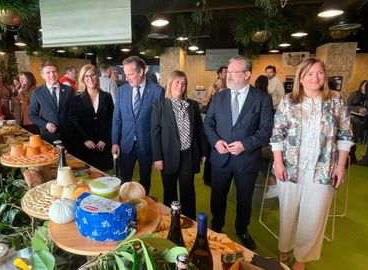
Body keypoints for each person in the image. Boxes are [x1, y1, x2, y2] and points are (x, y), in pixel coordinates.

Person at [270, 58, 352, 270]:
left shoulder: (336, 100)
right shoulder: (288, 101)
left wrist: (340, 166)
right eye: (309, 74)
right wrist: (278, 163)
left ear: (325, 76)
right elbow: (277, 135)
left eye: (319, 73)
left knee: (313, 214)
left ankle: (301, 257)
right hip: (289, 166)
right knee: (288, 211)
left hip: (323, 168)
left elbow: (345, 135)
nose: (315, 78)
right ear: (300, 78)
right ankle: (285, 248)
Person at [203, 56, 273, 250]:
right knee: (217, 196)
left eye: (234, 72)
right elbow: (208, 123)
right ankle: (216, 227)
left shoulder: (262, 99)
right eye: (228, 72)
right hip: (221, 158)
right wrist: (216, 142)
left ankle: (242, 229)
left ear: (247, 74)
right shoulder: (219, 97)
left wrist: (245, 144)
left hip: (247, 159)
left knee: (244, 198)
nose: (229, 76)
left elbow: (266, 130)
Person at [151, 70, 207, 220]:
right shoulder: (159, 106)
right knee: (169, 191)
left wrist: (203, 153)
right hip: (167, 156)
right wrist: (157, 158)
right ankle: (171, 220)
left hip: (188, 155)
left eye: (183, 83)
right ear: (170, 84)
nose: (180, 86)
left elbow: (199, 131)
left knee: (187, 191)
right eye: (177, 82)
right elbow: (155, 134)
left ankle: (189, 221)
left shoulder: (193, 105)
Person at [111, 56, 165, 194]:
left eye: (130, 74)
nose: (126, 78)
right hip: (126, 144)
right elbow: (117, 119)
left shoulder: (157, 91)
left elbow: (160, 123)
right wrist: (115, 142)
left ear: (141, 72)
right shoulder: (122, 90)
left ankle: (143, 206)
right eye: (126, 74)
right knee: (124, 180)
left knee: (145, 180)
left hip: (146, 145)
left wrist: (159, 151)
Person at [69, 64, 114, 171]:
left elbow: (111, 120)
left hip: (103, 145)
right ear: (83, 79)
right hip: (85, 145)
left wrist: (104, 139)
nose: (90, 79)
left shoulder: (106, 96)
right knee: (87, 175)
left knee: (104, 177)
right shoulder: (76, 98)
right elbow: (73, 121)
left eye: (92, 75)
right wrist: (85, 139)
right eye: (87, 76)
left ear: (97, 76)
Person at [29, 62, 74, 145]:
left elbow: (75, 112)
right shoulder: (37, 92)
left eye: (54, 71)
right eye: (48, 72)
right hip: (49, 137)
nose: (52, 74)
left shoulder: (69, 90)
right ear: (42, 76)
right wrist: (46, 125)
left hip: (69, 136)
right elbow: (32, 114)